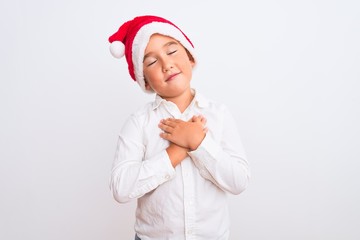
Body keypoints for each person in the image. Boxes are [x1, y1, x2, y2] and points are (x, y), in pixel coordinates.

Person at [108, 15, 250, 240]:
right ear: (144, 80)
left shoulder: (219, 114)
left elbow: (239, 181)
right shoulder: (138, 123)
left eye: (172, 51)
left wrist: (199, 144)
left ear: (190, 58)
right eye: (152, 62)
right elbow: (121, 188)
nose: (167, 64)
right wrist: (176, 152)